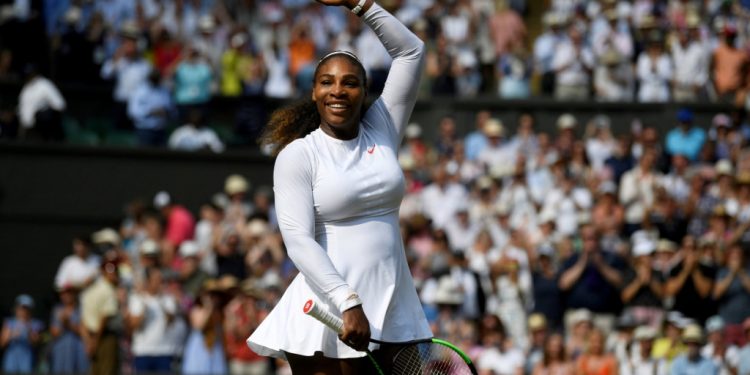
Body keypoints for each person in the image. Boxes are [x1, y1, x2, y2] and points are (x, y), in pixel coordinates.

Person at [247, 0, 431, 372]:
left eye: (350, 83)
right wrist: (347, 301)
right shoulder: (299, 155)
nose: (338, 91)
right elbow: (298, 240)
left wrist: (359, 4)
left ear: (365, 91)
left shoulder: (383, 127)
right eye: (327, 82)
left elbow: (411, 51)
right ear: (313, 92)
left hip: (395, 306)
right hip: (332, 311)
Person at [1, 295, 43, 374]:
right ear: (16, 309)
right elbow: (2, 343)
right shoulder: (9, 322)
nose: (23, 311)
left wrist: (28, 330)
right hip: (11, 363)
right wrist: (12, 335)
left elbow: (36, 342)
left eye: (26, 308)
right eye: (21, 308)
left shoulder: (35, 323)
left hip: (27, 363)